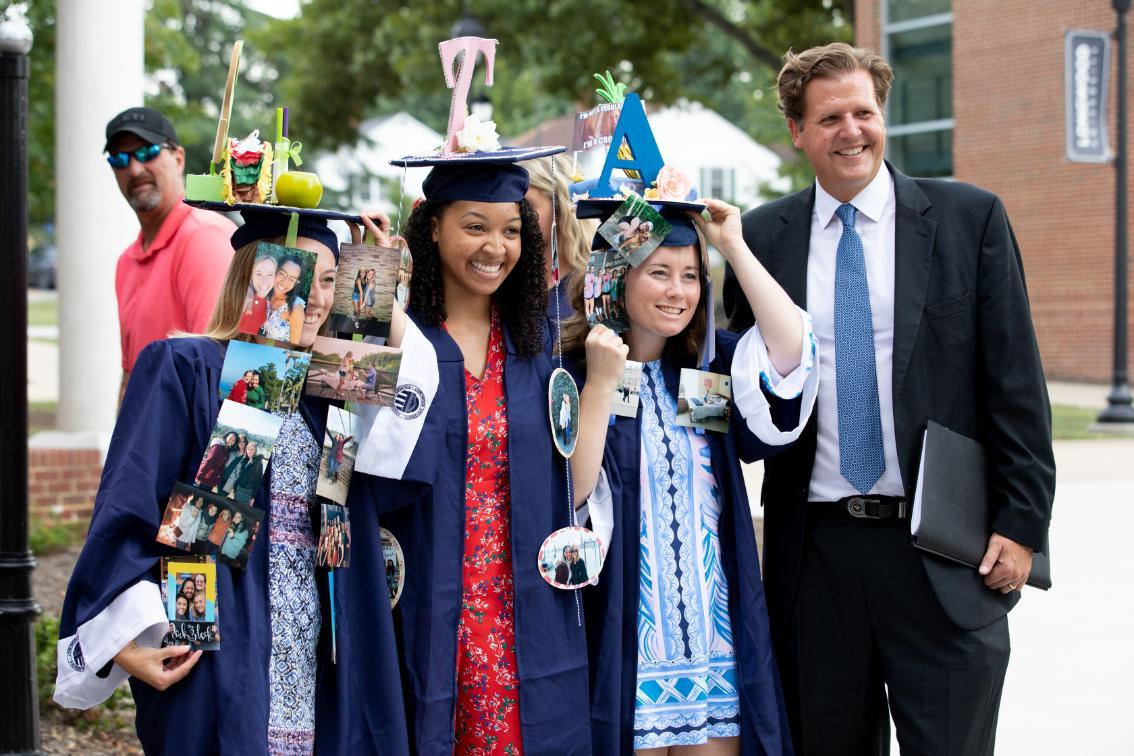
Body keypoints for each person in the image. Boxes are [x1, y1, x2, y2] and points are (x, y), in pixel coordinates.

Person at [721, 43, 1055, 756]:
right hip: (815, 558)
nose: (852, 131)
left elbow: (1017, 387)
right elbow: (743, 390)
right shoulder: (758, 240)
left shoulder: (971, 220)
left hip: (942, 554)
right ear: (797, 131)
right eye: (831, 116)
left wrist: (1022, 524)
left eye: (864, 113)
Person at [53, 205, 410, 754]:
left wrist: (374, 271)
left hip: (317, 648)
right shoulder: (189, 367)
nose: (317, 297)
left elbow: (386, 404)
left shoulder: (327, 395)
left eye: (333, 280)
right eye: (301, 276)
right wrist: (122, 639)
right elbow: (132, 504)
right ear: (256, 278)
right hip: (221, 637)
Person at [352, 142, 593, 753]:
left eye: (513, 230)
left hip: (524, 603)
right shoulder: (395, 333)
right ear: (432, 228)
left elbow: (573, 479)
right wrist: (376, 295)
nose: (497, 247)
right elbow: (356, 467)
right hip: (427, 593)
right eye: (475, 226)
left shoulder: (541, 344)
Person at [566, 190, 817, 754]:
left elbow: (795, 351)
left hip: (715, 636)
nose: (679, 291)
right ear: (614, 276)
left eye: (690, 275)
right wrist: (602, 384)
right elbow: (571, 493)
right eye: (659, 272)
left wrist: (732, 246)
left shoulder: (711, 365)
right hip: (627, 631)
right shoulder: (573, 371)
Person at [106, 107, 236, 404]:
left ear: (178, 158)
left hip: (188, 444)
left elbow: (214, 371)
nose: (135, 169)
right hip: (147, 443)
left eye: (148, 151)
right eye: (120, 158)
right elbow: (130, 377)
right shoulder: (127, 261)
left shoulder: (204, 237)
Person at [524, 154, 594, 316]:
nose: (517, 217)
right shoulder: (506, 278)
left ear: (561, 209)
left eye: (527, 206)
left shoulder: (593, 283)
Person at [263, 254, 307, 343]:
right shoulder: (265, 294)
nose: (284, 282)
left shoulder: (296, 309)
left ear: (296, 283)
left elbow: (294, 347)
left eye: (292, 279)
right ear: (275, 271)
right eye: (282, 273)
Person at [240, 252, 277, 335]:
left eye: (270, 274)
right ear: (251, 276)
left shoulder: (272, 303)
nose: (264, 280)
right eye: (259, 274)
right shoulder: (243, 298)